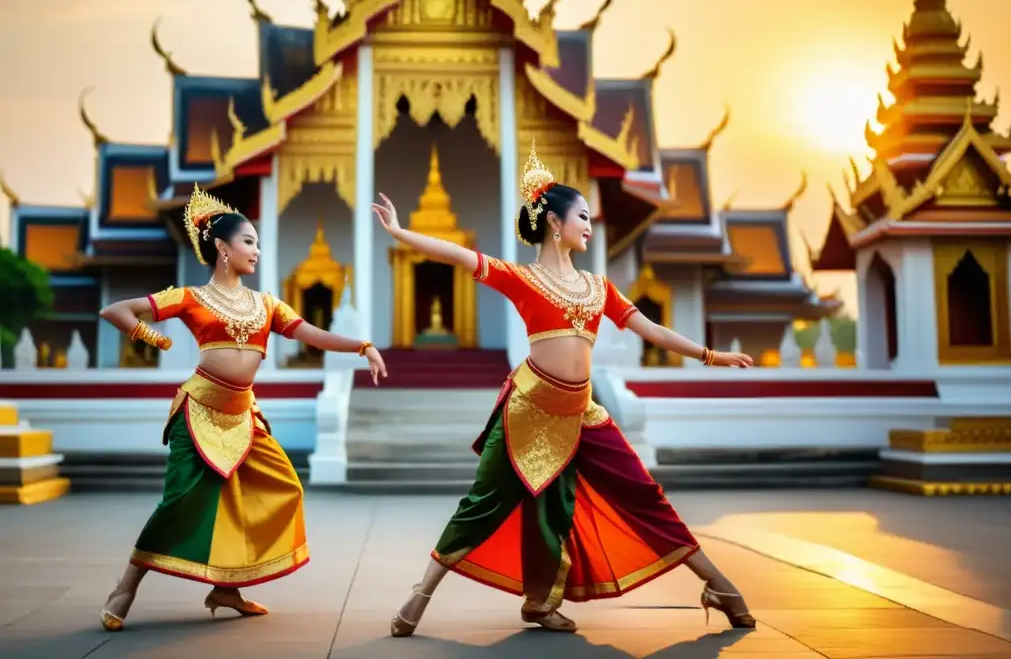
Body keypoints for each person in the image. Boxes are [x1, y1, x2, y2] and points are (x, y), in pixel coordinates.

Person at [377, 143, 757, 637]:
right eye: (582, 216)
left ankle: (717, 585)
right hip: (528, 411)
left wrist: (712, 356)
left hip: (583, 413)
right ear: (555, 222)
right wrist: (400, 232)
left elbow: (655, 332)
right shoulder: (523, 279)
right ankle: (420, 595)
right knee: (481, 506)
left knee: (644, 497)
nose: (589, 225)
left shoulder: (599, 288)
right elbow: (461, 255)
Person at [98, 184, 387, 632]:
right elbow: (116, 311)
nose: (256, 250)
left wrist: (362, 345)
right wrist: (155, 338)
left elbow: (313, 334)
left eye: (257, 242)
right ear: (222, 248)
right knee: (178, 504)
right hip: (197, 414)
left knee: (282, 487)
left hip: (243, 417)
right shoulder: (191, 297)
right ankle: (126, 587)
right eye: (248, 241)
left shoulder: (266, 304)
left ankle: (227, 588)